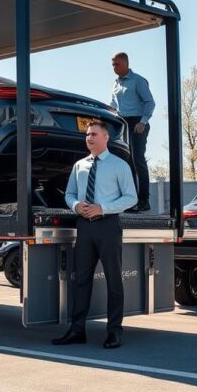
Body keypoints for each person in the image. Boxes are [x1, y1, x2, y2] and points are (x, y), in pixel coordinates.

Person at [52, 121, 137, 349]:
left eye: (94, 134)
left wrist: (103, 207)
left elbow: (131, 198)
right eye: (87, 135)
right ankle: (77, 330)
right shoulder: (79, 166)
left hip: (108, 225)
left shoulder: (119, 165)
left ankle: (114, 332)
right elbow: (69, 194)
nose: (89, 138)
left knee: (113, 280)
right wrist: (76, 205)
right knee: (81, 280)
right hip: (85, 227)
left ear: (106, 137)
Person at [107, 52, 154, 212]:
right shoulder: (115, 84)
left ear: (126, 63)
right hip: (122, 124)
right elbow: (113, 105)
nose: (114, 67)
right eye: (113, 65)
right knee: (126, 163)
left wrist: (143, 121)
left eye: (117, 64)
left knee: (137, 160)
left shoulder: (138, 81)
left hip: (138, 123)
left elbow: (150, 102)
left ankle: (144, 200)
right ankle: (130, 201)